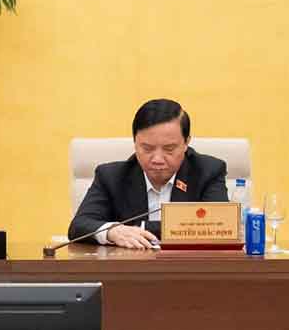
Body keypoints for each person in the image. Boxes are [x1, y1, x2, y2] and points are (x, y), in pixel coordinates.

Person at [68, 99, 229, 249]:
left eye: (169, 149)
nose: (157, 159)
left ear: (186, 142)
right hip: (130, 272)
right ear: (135, 142)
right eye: (147, 149)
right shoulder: (111, 176)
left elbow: (220, 226)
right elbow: (79, 225)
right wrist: (112, 231)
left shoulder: (208, 171)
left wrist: (142, 228)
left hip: (189, 271)